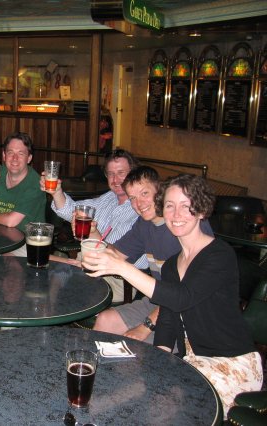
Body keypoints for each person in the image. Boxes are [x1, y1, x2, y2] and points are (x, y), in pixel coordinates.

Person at [82, 174, 263, 415]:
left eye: (185, 206)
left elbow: (181, 298)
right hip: (193, 359)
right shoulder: (171, 266)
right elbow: (168, 316)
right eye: (169, 206)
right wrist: (158, 362)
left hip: (229, 362)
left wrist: (121, 268)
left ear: (201, 210)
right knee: (148, 392)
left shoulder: (219, 254)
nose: (176, 214)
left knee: (164, 407)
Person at [92, 166, 213, 344]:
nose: (139, 203)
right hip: (157, 302)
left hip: (189, 312)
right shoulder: (145, 224)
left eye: (144, 193)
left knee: (134, 346)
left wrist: (146, 326)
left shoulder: (186, 230)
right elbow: (115, 255)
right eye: (132, 198)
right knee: (105, 320)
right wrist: (92, 232)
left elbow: (182, 296)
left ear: (160, 191)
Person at [41, 148, 143, 302]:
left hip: (115, 278)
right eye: (111, 174)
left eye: (121, 173)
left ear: (133, 173)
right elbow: (72, 211)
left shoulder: (142, 209)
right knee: (39, 272)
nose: (115, 180)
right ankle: (49, 310)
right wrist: (56, 192)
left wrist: (84, 259)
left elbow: (121, 258)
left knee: (61, 287)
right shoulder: (108, 198)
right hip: (84, 267)